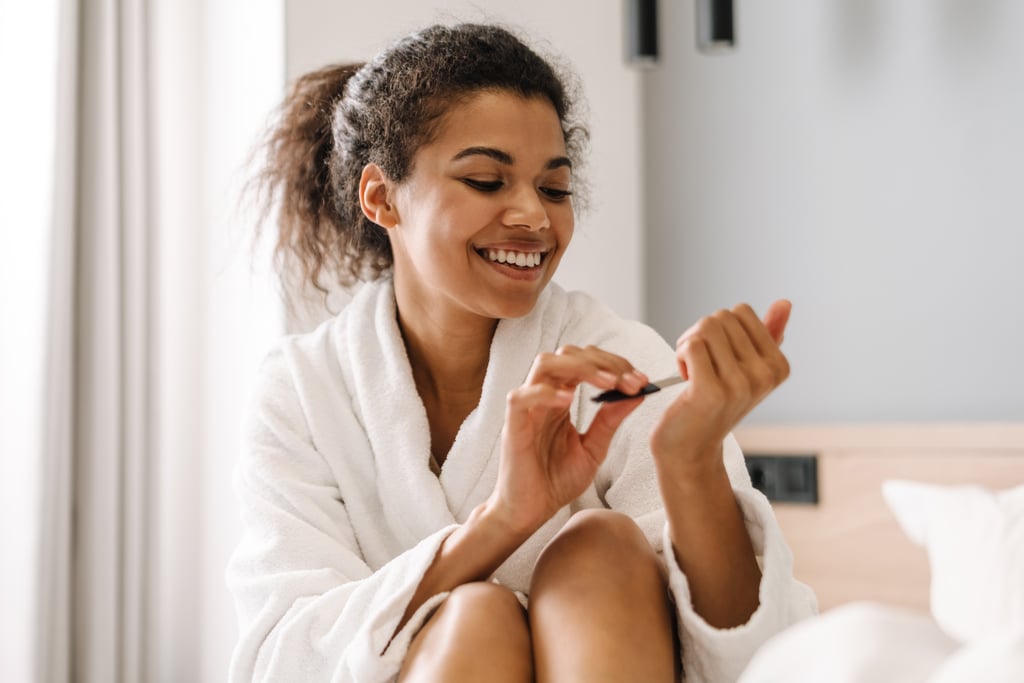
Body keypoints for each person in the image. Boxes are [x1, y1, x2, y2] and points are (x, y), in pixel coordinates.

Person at [227, 22, 816, 683]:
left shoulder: (618, 359)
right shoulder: (302, 391)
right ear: (381, 196)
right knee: (475, 615)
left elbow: (755, 656)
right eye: (485, 180)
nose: (534, 217)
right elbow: (285, 657)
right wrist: (503, 521)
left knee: (600, 545)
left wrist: (690, 464)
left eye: (554, 188)